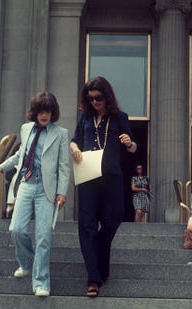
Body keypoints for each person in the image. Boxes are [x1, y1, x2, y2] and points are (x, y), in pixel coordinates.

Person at [0, 91, 70, 297]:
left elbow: (64, 166)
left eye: (48, 111)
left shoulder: (61, 134)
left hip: (46, 189)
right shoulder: (25, 129)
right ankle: (27, 262)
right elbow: (19, 155)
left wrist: (62, 192)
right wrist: (0, 167)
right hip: (26, 184)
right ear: (35, 111)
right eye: (41, 110)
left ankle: (41, 283)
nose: (44, 115)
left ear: (53, 113)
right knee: (16, 229)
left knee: (43, 237)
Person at [70, 76, 137, 297]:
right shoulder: (84, 119)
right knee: (87, 226)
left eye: (98, 98)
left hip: (112, 177)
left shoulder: (120, 117)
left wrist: (129, 143)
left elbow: (133, 148)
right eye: (90, 99)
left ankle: (96, 259)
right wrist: (74, 148)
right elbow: (74, 140)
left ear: (106, 97)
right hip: (88, 176)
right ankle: (93, 278)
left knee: (113, 219)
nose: (94, 103)